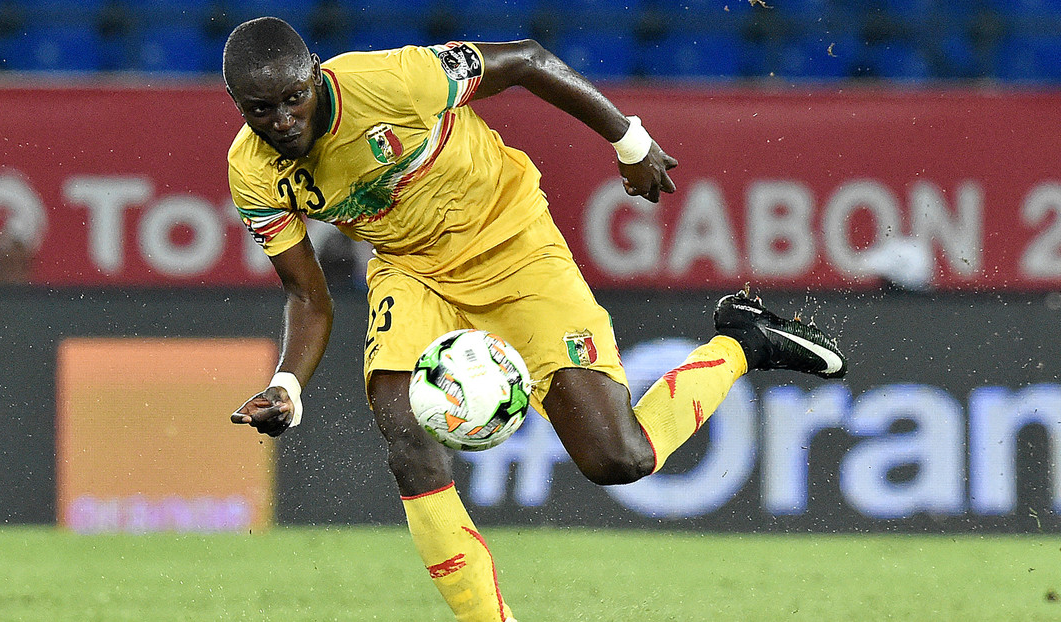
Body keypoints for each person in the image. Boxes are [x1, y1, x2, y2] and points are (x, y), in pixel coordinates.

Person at [223, 17, 846, 622]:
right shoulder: (252, 170)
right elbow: (307, 297)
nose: (281, 121)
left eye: (293, 99)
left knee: (619, 460)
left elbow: (526, 60)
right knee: (403, 432)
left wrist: (629, 141)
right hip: (411, 269)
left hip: (513, 245)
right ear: (237, 104)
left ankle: (743, 340)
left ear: (314, 76)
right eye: (260, 109)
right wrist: (287, 386)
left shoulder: (394, 81)